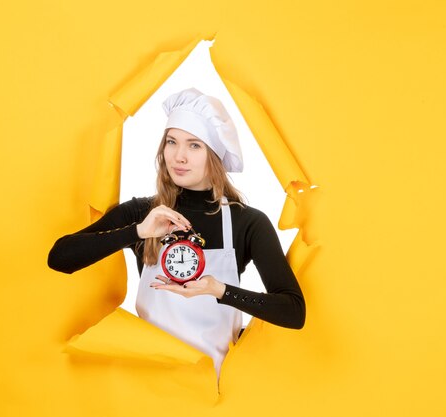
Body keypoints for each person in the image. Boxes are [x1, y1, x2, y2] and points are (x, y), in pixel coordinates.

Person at [48, 88, 306, 374]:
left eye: (194, 145)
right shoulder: (142, 214)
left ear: (215, 155)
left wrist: (218, 290)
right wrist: (137, 232)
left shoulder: (246, 222)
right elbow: (60, 258)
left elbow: (293, 311)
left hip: (213, 392)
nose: (179, 157)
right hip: (150, 384)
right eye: (172, 142)